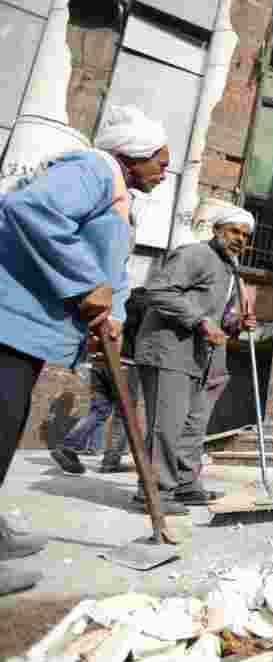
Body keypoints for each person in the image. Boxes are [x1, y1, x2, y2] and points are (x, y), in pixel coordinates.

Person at [0, 104, 169, 595]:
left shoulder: (118, 196)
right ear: (132, 155)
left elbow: (106, 270)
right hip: (9, 321)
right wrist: (85, 284)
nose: (163, 169)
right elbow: (29, 210)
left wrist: (107, 314)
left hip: (27, 329)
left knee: (6, 427)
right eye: (160, 158)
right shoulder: (93, 168)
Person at [133, 203, 256, 514]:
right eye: (234, 231)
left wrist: (236, 323)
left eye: (245, 235)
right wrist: (201, 321)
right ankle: (154, 493)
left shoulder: (230, 270)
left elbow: (218, 318)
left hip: (200, 359)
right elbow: (159, 292)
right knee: (166, 425)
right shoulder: (195, 254)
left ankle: (185, 485)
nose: (240, 239)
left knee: (193, 425)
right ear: (217, 231)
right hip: (168, 350)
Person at [50, 287, 148, 475]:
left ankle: (68, 446)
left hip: (99, 362)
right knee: (124, 413)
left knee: (99, 409)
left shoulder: (116, 301)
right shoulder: (147, 305)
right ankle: (111, 460)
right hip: (125, 364)